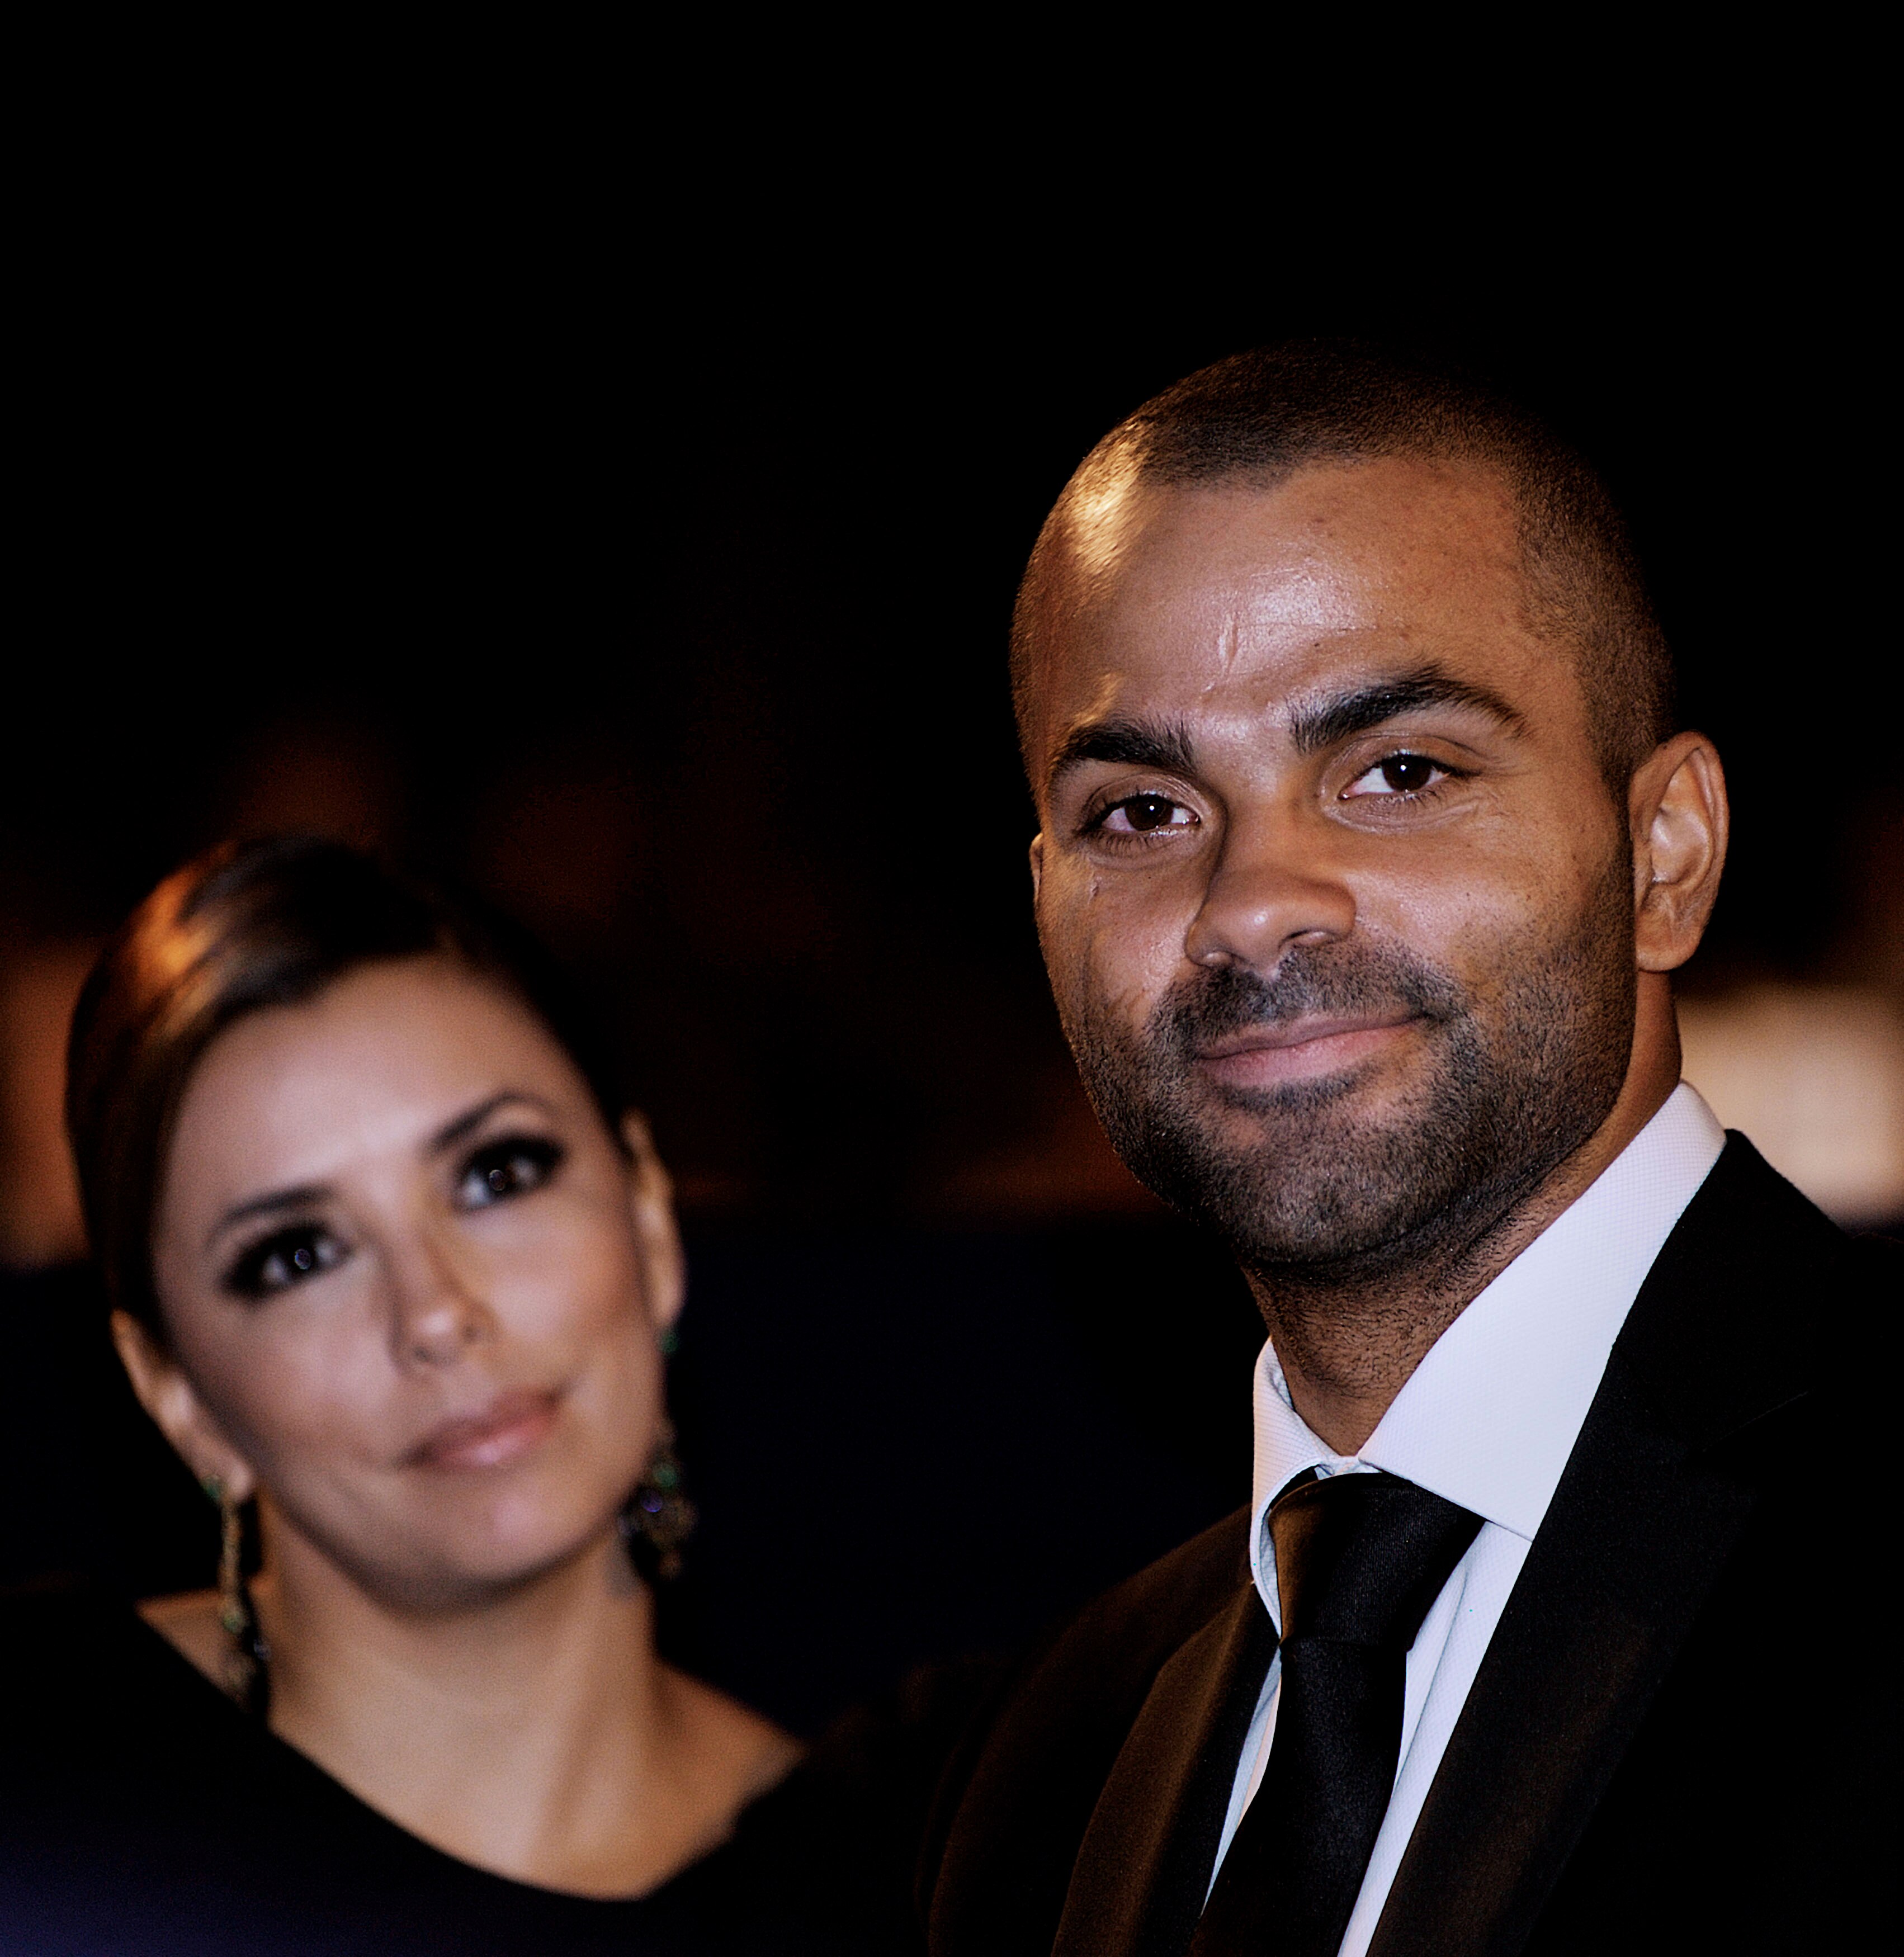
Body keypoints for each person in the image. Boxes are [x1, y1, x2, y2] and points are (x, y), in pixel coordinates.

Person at [918, 343, 1892, 1955]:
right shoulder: (1052, 1758)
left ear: (1665, 851)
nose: (1246, 904)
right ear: (1042, 904)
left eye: (1396, 771)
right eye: (1139, 811)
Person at [0, 838, 947, 1956]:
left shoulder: (904, 1885)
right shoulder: (36, 1786)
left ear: (646, 1215)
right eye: (299, 1253)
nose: (436, 1311)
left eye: (496, 1174)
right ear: (175, 1394)